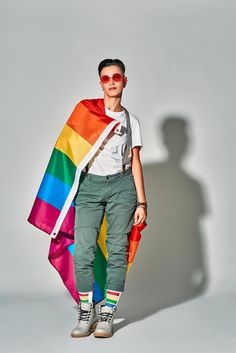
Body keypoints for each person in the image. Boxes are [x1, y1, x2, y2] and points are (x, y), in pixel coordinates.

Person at [70, 58, 147, 338]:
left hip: (122, 187)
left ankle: (107, 314)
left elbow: (135, 161)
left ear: (125, 81)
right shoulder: (87, 113)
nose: (112, 81)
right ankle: (86, 310)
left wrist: (142, 202)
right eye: (106, 78)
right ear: (100, 82)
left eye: (117, 76)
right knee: (83, 251)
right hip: (90, 186)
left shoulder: (132, 121)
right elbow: (68, 151)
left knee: (117, 250)